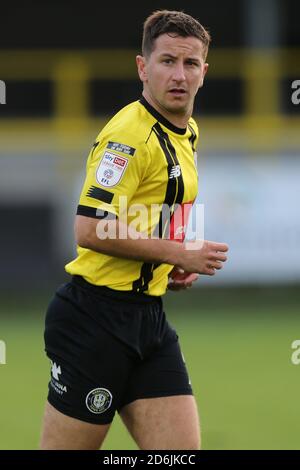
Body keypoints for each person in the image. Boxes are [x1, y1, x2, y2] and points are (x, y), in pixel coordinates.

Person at [40, 9, 228, 450]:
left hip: (149, 319)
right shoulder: (128, 137)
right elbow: (89, 228)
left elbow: (150, 209)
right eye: (167, 61)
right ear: (143, 68)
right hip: (94, 320)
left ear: (204, 71)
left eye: (191, 63)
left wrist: (168, 265)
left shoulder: (187, 130)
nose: (179, 75)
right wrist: (176, 253)